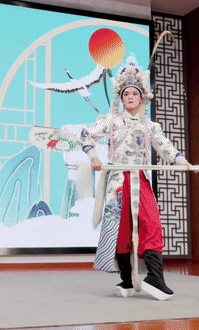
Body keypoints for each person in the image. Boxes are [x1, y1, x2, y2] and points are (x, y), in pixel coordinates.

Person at [80, 56, 191, 300]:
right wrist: (93, 157)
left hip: (140, 179)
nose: (130, 97)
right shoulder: (111, 121)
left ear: (141, 98)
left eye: (134, 94)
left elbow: (165, 146)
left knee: (152, 224)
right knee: (121, 232)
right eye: (126, 94)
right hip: (118, 182)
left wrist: (180, 161)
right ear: (121, 98)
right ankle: (126, 280)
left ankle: (155, 277)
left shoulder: (150, 126)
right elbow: (86, 134)